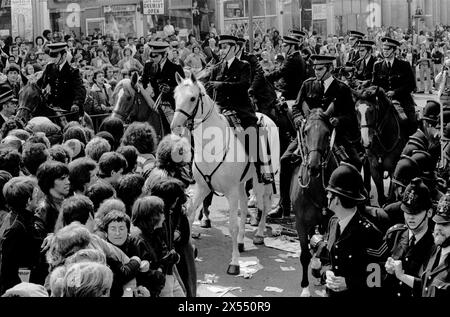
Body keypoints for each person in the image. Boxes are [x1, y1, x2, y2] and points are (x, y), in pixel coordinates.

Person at [270, 54, 362, 219]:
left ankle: (357, 202)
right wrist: (298, 118)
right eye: (314, 68)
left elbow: (351, 115)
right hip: (310, 135)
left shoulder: (341, 88)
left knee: (354, 161)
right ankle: (284, 205)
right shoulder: (308, 84)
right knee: (285, 159)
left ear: (330, 68)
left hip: (333, 135)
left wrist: (338, 120)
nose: (316, 72)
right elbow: (297, 107)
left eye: (320, 69)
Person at [312, 162, 389, 297]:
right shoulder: (333, 222)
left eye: (330, 194)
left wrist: (349, 283)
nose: (327, 196)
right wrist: (327, 274)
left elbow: (380, 276)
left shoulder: (369, 233)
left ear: (337, 199)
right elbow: (328, 260)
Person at [204, 35, 273, 184]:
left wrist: (220, 85)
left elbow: (243, 86)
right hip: (221, 110)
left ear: (234, 48)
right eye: (219, 48)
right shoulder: (216, 68)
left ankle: (262, 170)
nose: (221, 51)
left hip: (241, 109)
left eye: (224, 48)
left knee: (251, 134)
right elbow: (209, 90)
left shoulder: (244, 65)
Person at [392, 192, 450, 297]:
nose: (438, 228)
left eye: (445, 224)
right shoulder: (437, 250)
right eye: (437, 222)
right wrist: (401, 275)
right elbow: (426, 286)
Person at [384, 178, 435, 297]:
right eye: (407, 212)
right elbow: (373, 272)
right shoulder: (393, 235)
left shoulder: (435, 245)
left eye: (416, 212)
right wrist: (385, 270)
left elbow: (432, 289)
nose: (411, 217)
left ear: (429, 213)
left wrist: (402, 276)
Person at [0, 177, 40, 295]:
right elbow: (7, 269)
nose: (38, 197)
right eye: (35, 194)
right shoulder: (16, 228)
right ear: (28, 201)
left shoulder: (21, 217)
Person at [372, 37, 417, 136]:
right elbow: (374, 85)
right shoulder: (377, 65)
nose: (385, 52)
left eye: (388, 49)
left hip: (402, 100)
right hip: (384, 100)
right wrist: (383, 92)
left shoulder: (404, 65)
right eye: (384, 49)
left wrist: (395, 92)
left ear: (394, 50)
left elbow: (411, 85)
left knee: (411, 122)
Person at [37, 43, 86, 122]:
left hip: (67, 109)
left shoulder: (73, 72)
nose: (53, 59)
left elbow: (80, 90)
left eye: (56, 56)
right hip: (52, 107)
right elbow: (41, 83)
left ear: (64, 55)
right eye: (52, 56)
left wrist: (76, 104)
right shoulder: (50, 68)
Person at [142, 42, 184, 130]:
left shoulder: (175, 68)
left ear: (165, 55)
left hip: (169, 103)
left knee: (175, 128)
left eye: (156, 56)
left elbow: (182, 88)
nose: (153, 58)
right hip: (152, 102)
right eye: (151, 56)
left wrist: (170, 89)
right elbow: (143, 82)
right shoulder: (148, 66)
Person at [265, 35, 307, 101]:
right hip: (294, 91)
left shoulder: (293, 59)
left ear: (292, 46)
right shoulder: (296, 57)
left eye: (285, 46)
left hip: (291, 93)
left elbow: (281, 72)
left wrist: (265, 76)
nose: (283, 48)